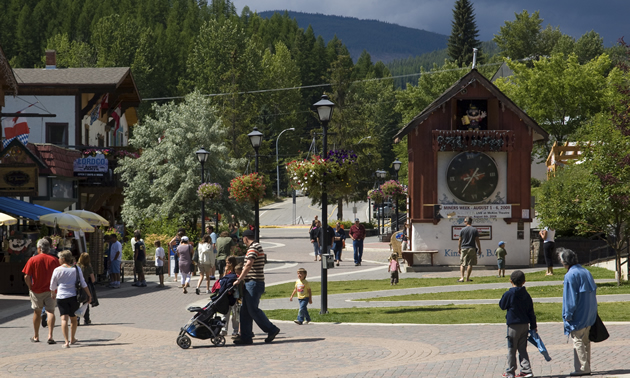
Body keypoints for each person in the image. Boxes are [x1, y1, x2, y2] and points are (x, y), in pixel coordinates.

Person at [232, 229, 280, 345]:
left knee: (252, 310)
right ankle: (246, 337)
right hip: (252, 282)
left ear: (245, 238)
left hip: (253, 282)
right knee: (245, 311)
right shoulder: (256, 246)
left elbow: (249, 264)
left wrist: (240, 278)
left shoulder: (254, 247)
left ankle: (271, 329)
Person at [560, 249, 597, 376]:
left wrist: (568, 315)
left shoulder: (570, 275)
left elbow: (570, 299)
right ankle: (586, 366)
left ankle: (582, 368)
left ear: (565, 262)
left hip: (579, 315)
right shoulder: (586, 271)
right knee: (585, 341)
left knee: (578, 340)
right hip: (590, 314)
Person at [50, 250, 91, 348]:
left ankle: (66, 341)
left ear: (63, 259)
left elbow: (52, 285)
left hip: (61, 296)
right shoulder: (76, 269)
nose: (58, 260)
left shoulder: (57, 270)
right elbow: (83, 283)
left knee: (64, 318)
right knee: (73, 318)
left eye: (59, 258)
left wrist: (53, 293)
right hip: (73, 296)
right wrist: (89, 295)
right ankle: (72, 338)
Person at [498, 270, 536, 378]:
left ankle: (510, 371)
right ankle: (526, 369)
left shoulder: (509, 294)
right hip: (525, 325)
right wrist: (533, 326)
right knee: (522, 348)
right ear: (524, 282)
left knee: (511, 349)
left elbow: (502, 305)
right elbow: (531, 312)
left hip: (513, 325)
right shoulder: (526, 295)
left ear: (510, 281)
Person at [22, 239, 60, 344]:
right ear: (49, 249)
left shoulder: (33, 259)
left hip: (37, 290)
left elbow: (26, 276)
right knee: (51, 311)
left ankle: (36, 336)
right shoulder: (54, 260)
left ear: (39, 248)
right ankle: (50, 335)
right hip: (51, 290)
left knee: (37, 312)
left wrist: (30, 286)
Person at [457, 216, 481, 282]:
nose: (464, 223)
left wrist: (459, 248)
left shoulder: (462, 230)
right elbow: (477, 240)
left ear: (467, 222)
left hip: (464, 248)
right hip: (472, 248)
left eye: (464, 221)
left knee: (462, 263)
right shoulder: (474, 230)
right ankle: (467, 278)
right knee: (470, 264)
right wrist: (479, 248)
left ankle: (462, 278)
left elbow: (460, 240)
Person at [76, 253, 96, 325]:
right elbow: (93, 279)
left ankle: (76, 319)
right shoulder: (88, 267)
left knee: (77, 303)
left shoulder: (76, 266)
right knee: (86, 303)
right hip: (86, 286)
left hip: (77, 286)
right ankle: (86, 319)